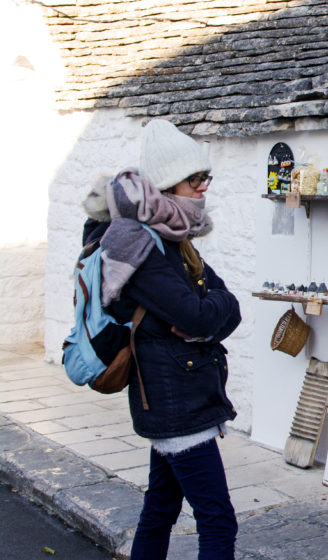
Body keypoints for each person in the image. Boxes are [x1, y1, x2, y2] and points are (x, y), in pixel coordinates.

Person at [81, 119, 241, 559]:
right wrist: (208, 311)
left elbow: (226, 307)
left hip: (179, 394)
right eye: (196, 179)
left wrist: (211, 311)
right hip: (176, 401)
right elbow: (196, 313)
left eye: (206, 177)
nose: (204, 187)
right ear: (170, 183)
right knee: (217, 520)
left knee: (161, 508)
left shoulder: (173, 236)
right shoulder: (139, 242)